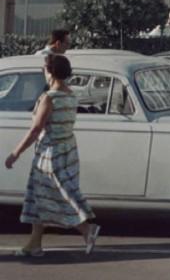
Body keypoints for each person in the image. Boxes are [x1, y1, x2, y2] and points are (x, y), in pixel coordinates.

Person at [4, 54, 100, 258]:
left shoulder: (49, 97)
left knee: (56, 193)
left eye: (45, 69)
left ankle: (86, 229)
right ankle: (34, 243)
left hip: (50, 153)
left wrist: (15, 153)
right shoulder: (71, 95)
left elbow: (35, 129)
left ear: (51, 72)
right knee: (39, 195)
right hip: (68, 150)